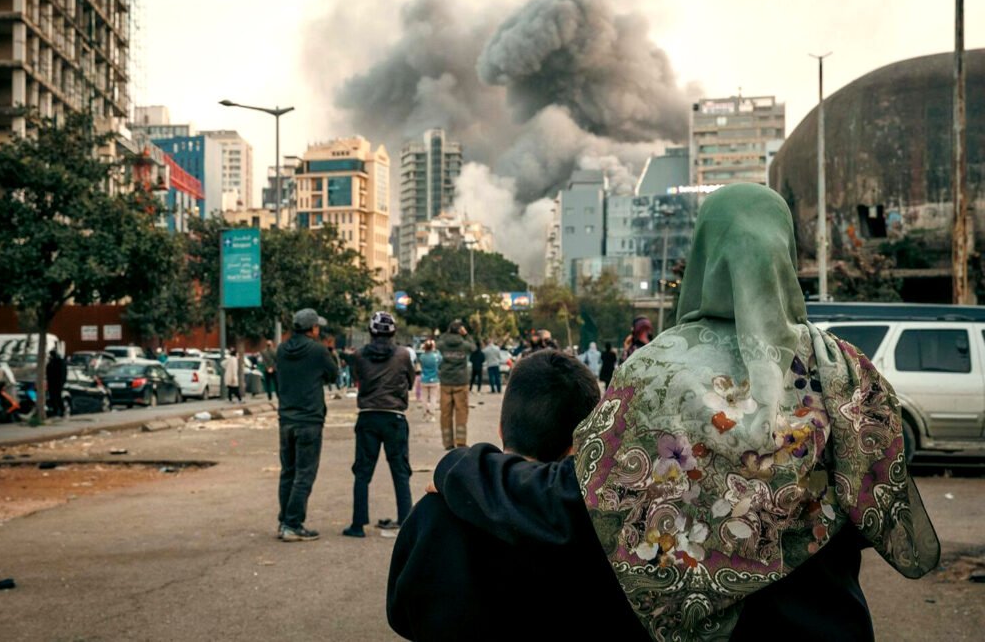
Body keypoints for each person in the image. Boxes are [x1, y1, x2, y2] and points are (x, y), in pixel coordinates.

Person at [427, 184, 940, 641]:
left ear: (703, 256)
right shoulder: (845, 370)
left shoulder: (655, 373)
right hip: (829, 625)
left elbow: (579, 500)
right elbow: (874, 508)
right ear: (784, 253)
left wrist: (463, 469)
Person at [386, 350, 645, 640]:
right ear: (578, 446)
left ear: (500, 427)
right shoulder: (604, 524)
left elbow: (400, 611)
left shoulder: (438, 507)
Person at [341, 311, 416, 538]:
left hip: (368, 416)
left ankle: (358, 525)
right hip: (394, 417)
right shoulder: (403, 355)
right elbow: (410, 382)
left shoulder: (359, 355)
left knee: (362, 472)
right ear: (393, 332)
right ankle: (406, 520)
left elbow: (358, 378)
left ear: (370, 332)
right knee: (400, 471)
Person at [275, 308, 339, 542]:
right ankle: (293, 524)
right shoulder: (318, 351)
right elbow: (333, 374)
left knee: (288, 472)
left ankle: (284, 521)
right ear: (312, 328)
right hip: (309, 419)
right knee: (304, 474)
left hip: (286, 419)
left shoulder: (281, 350)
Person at [437, 320, 474, 450]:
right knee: (461, 412)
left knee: (445, 413)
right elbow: (473, 347)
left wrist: (447, 333)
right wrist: (466, 334)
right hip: (461, 381)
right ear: (460, 331)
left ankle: (448, 443)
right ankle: (461, 441)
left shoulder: (443, 344)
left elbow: (438, 342)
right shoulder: (464, 345)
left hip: (445, 382)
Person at [417, 340, 441, 421]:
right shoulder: (436, 356)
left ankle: (424, 414)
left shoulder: (422, 357)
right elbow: (441, 359)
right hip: (434, 379)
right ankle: (432, 415)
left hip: (424, 379)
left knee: (424, 398)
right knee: (433, 398)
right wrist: (436, 350)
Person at [46, 349, 67, 417]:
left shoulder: (59, 362)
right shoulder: (51, 362)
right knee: (53, 397)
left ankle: (61, 410)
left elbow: (62, 373)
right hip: (52, 383)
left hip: (57, 383)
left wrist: (62, 382)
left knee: (57, 397)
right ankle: (56, 410)